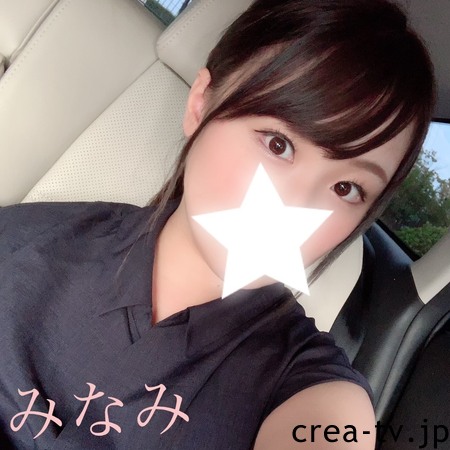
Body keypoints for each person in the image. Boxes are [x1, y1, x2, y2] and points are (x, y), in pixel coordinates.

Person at [0, 0, 435, 449]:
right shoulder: (31, 238)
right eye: (279, 144)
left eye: (346, 188)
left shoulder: (312, 393)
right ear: (200, 105)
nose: (293, 206)